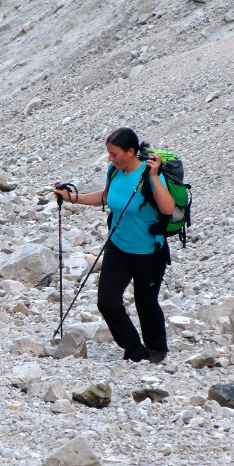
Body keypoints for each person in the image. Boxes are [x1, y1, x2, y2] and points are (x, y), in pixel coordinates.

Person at [53, 127, 174, 363]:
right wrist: (72, 198)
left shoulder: (151, 176)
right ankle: (135, 351)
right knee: (107, 302)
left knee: (146, 303)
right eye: (108, 153)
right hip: (118, 247)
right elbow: (107, 197)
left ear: (131, 152)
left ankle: (157, 351)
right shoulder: (114, 171)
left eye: (113, 154)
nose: (109, 158)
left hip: (149, 252)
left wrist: (153, 176)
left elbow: (167, 209)